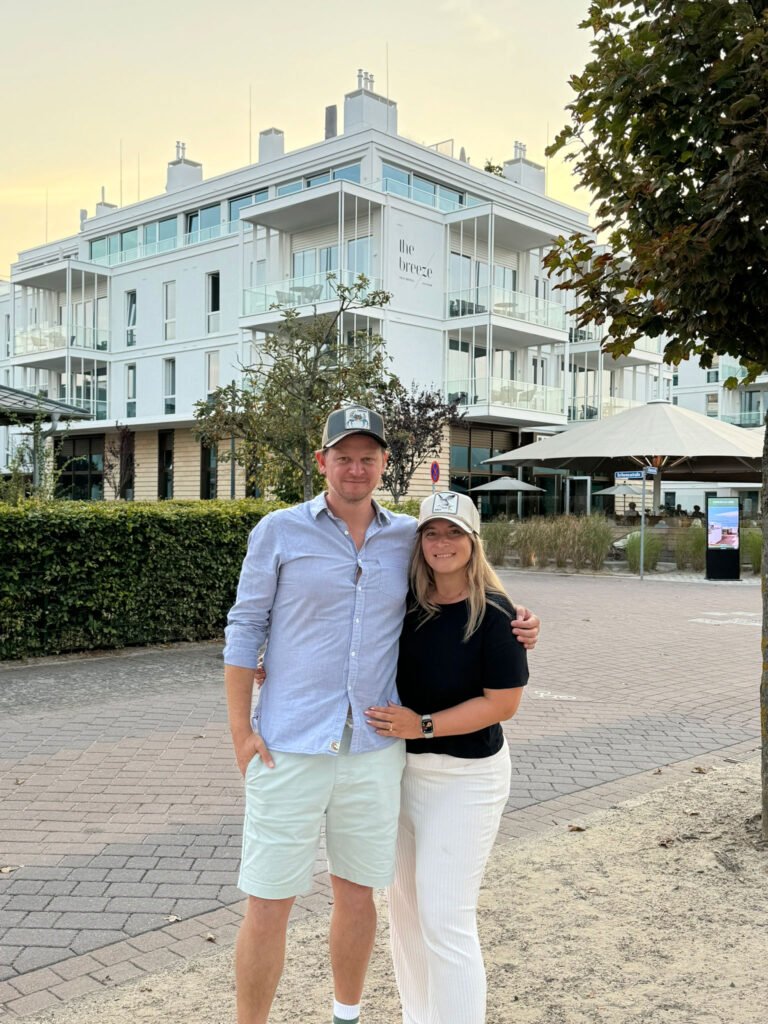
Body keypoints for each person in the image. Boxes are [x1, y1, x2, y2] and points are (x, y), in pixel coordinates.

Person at [223, 405, 540, 1024]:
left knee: (360, 894)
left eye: (368, 457)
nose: (355, 468)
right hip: (288, 744)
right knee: (268, 902)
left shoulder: (407, 538)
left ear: (386, 465)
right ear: (322, 462)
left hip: (373, 750)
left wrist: (521, 622)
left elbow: (466, 595)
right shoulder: (279, 531)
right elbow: (245, 629)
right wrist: (241, 731)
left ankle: (348, 1014)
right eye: (343, 456)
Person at [366, 492, 528, 1024]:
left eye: (453, 533)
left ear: (473, 542)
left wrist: (424, 725)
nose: (442, 543)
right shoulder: (403, 604)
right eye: (432, 533)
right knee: (406, 915)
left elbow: (502, 703)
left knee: (444, 918)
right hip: (401, 774)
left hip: (468, 779)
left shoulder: (496, 611)